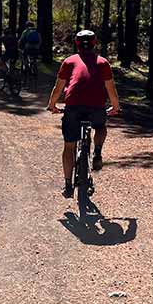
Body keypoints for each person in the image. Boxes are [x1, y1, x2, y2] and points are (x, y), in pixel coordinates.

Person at [47, 29, 121, 198]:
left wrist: (52, 105)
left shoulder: (69, 61)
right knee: (101, 127)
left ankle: (67, 185)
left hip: (73, 107)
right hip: (96, 107)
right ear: (94, 44)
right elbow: (111, 89)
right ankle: (97, 152)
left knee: (69, 146)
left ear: (77, 44)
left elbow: (58, 88)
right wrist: (115, 107)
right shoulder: (103, 62)